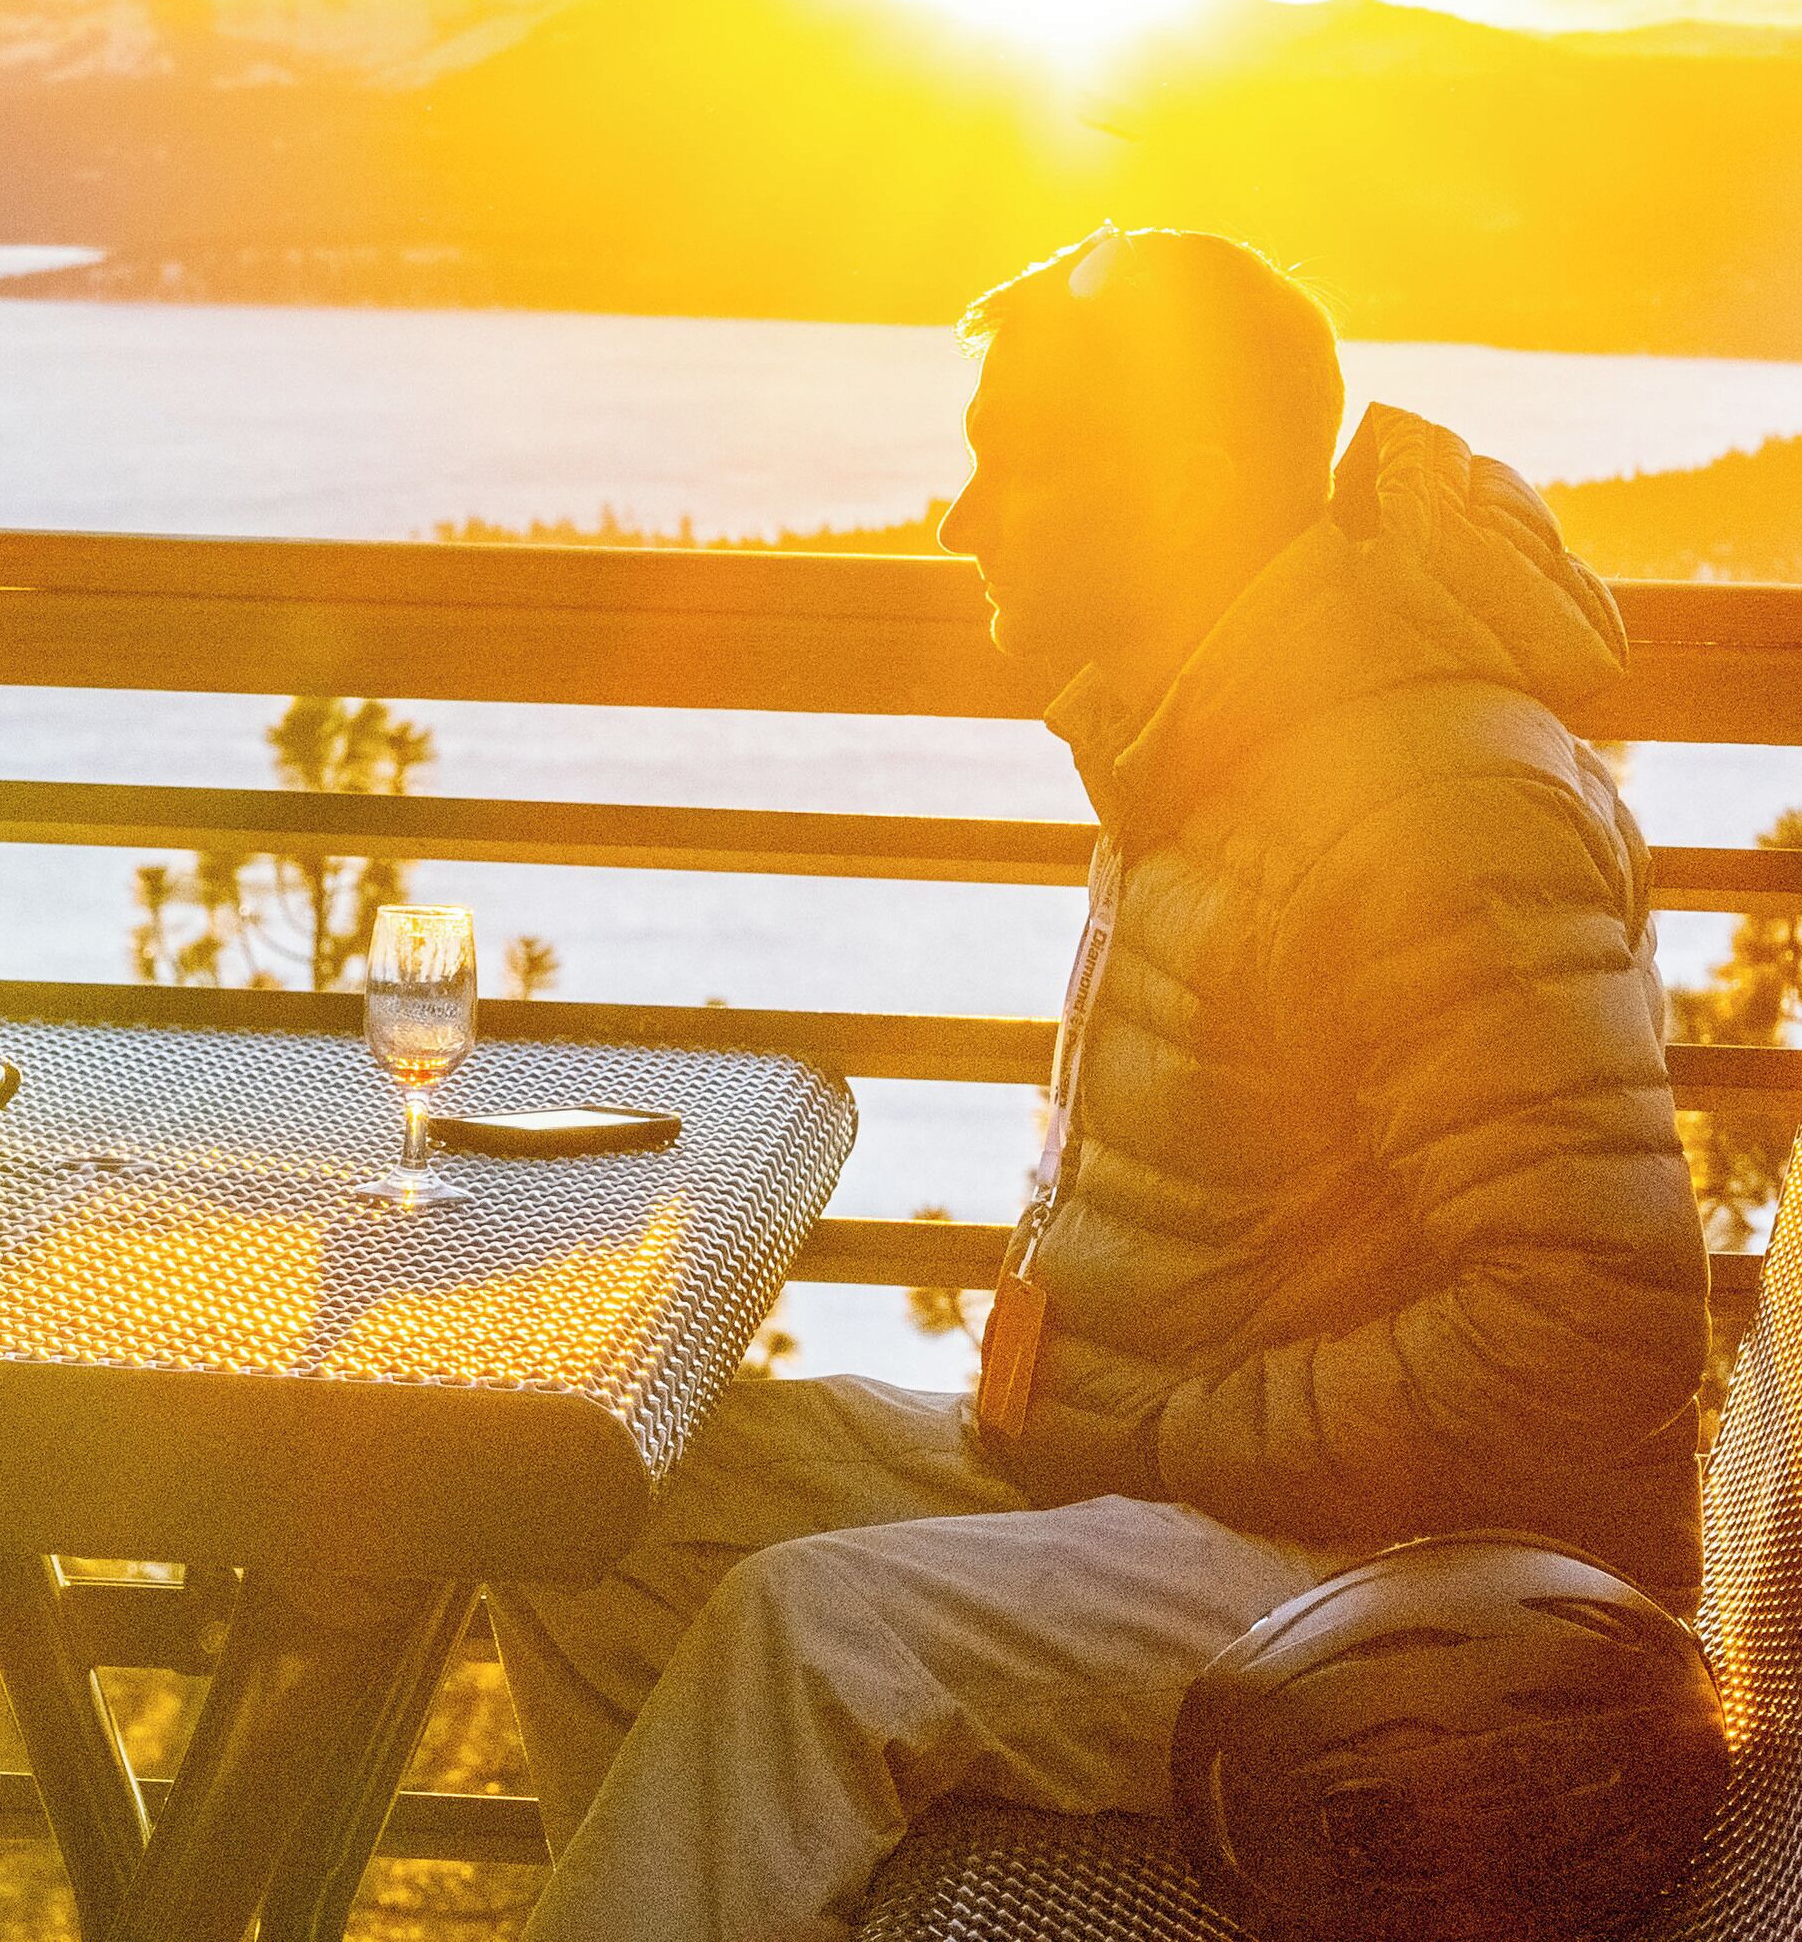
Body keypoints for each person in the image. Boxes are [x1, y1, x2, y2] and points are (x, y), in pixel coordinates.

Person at [491, 227, 1710, 1940]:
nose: (958, 516)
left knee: (812, 1630)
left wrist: (1148, 1432)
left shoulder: (1427, 800)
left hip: (1417, 1603)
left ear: (1186, 485)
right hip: (1194, 1482)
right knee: (597, 1502)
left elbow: (1593, 1335)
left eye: (1013, 465)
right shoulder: (1214, 732)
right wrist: (1123, 1429)